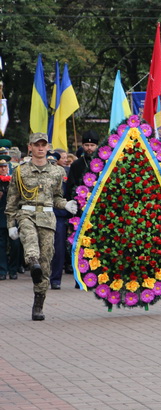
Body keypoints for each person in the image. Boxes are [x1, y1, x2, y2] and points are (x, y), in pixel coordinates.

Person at [5, 133, 78, 320]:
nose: (40, 148)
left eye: (43, 145)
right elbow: (12, 200)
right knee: (30, 243)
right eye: (36, 145)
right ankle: (32, 262)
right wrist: (11, 224)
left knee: (45, 263)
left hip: (47, 217)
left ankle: (39, 302)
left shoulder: (57, 172)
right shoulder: (20, 172)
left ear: (48, 147)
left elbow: (56, 197)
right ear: (30, 147)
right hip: (26, 214)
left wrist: (66, 204)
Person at [46, 151, 70, 290]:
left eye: (54, 163)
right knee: (43, 249)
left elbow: (66, 195)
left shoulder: (63, 176)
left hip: (59, 216)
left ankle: (56, 279)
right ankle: (42, 276)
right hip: (42, 215)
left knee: (59, 248)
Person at [0, 156, 22, 281]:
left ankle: (13, 270)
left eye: (4, 167)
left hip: (13, 217)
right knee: (1, 245)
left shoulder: (13, 181)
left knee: (15, 244)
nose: (3, 169)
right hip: (1, 216)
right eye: (1, 167)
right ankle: (2, 270)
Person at [65, 130, 99, 200]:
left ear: (97, 146)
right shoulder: (76, 164)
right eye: (87, 145)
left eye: (92, 145)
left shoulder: (103, 162)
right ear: (83, 146)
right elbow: (70, 187)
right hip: (80, 201)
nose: (89, 148)